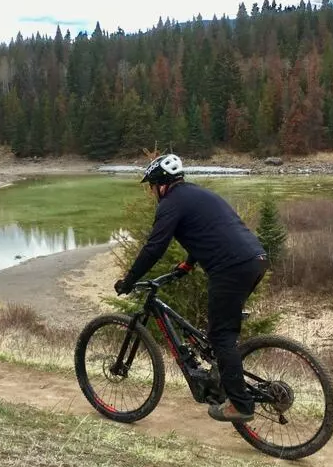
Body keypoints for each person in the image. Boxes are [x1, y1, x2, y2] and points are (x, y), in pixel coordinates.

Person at [113, 153, 269, 423]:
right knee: (221, 333)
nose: (152, 194)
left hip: (230, 268)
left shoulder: (170, 203)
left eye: (151, 187)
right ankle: (221, 381)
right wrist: (188, 263)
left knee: (222, 336)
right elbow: (212, 231)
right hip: (255, 260)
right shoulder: (199, 195)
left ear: (161, 185)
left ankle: (241, 405)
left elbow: (154, 248)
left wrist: (128, 281)